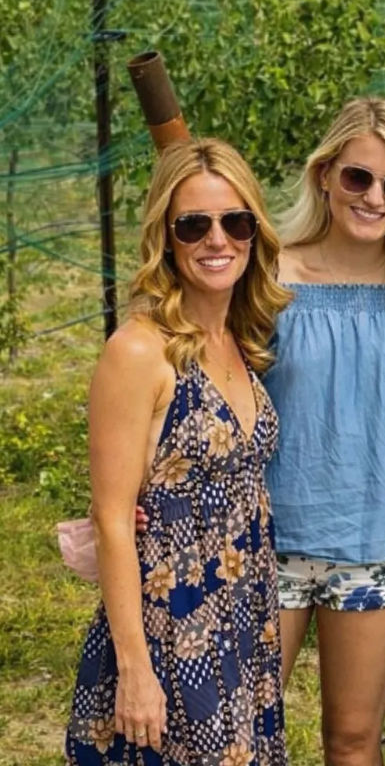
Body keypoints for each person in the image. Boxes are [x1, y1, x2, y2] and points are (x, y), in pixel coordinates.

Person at [66, 138, 292, 764]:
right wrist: (135, 668)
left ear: (254, 232)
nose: (217, 240)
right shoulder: (139, 351)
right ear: (166, 236)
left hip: (244, 617)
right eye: (194, 225)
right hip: (172, 628)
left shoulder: (239, 341)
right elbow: (113, 519)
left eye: (235, 222)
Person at [262, 97, 385, 765]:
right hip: (267, 542)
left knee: (353, 740)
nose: (375, 197)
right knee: (239, 734)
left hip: (381, 542)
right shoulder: (266, 278)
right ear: (324, 174)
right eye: (358, 177)